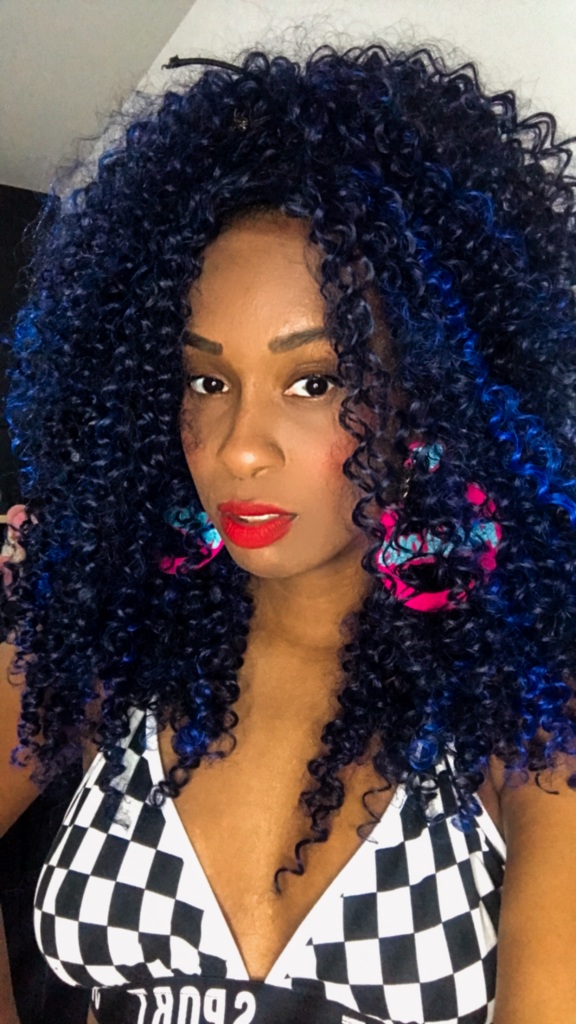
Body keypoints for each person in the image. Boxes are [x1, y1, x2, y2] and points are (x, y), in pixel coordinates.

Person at [1, 43, 576, 1024]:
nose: (239, 447)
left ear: (432, 395)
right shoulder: (96, 645)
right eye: (206, 380)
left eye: (315, 380)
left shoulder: (523, 705)